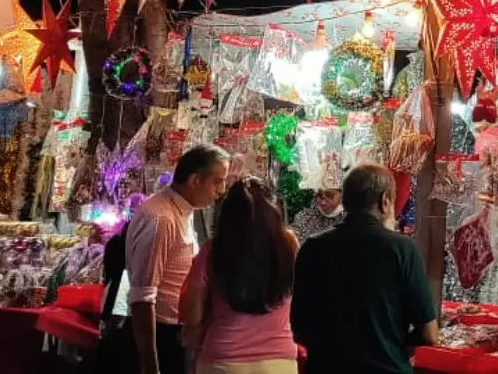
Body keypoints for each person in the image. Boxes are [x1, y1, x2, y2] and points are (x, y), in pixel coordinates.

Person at [291, 164, 438, 373]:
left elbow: (299, 329)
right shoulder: (402, 249)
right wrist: (392, 343)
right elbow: (429, 334)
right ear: (385, 200)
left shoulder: (312, 247)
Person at [127, 145, 231, 374]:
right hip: (161, 335)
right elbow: (143, 296)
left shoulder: (182, 210)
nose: (221, 190)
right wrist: (150, 364)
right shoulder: (161, 218)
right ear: (194, 180)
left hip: (175, 332)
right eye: (217, 181)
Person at [181, 177, 298, 373]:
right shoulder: (289, 245)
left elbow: (193, 316)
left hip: (223, 360)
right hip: (279, 361)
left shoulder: (212, 250)